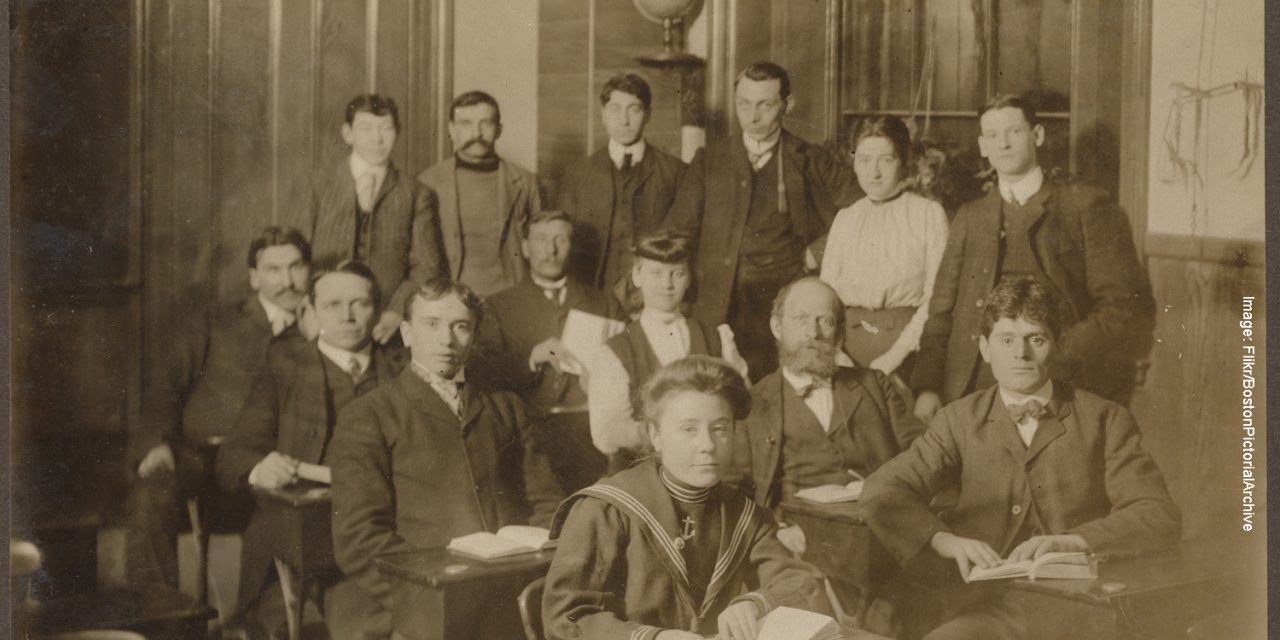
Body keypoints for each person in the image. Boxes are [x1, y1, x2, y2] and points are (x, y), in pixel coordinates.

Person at [860, 278, 1180, 640]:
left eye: (1036, 339)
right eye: (1006, 340)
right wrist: (946, 541)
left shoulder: (1104, 419)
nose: (1020, 354)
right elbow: (881, 491)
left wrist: (1073, 541)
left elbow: (1157, 514)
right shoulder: (959, 420)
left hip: (1081, 611)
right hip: (986, 608)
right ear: (984, 347)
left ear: (1057, 345)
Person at [329, 277, 564, 637]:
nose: (446, 340)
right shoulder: (370, 415)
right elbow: (359, 540)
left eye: (460, 326)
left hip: (511, 600)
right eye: (432, 324)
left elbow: (547, 505)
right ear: (406, 333)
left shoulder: (507, 408)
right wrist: (424, 598)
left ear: (475, 335)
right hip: (422, 608)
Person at [543, 355, 831, 640]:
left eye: (719, 429)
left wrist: (754, 602)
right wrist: (653, 638)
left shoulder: (742, 513)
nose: (707, 445)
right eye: (689, 429)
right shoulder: (606, 509)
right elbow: (566, 617)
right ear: (655, 435)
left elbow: (801, 582)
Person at [911, 94, 1154, 421]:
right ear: (983, 146)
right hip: (972, 383)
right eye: (993, 136)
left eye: (1013, 132)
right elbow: (940, 312)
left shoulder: (1084, 208)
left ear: (1036, 135)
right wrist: (928, 387)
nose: (1004, 144)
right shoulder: (971, 216)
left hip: (1058, 378)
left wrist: (1055, 354)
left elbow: (1120, 309)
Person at [214, 261, 405, 638]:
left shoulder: (401, 371)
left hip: (383, 536)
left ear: (378, 310)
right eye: (333, 305)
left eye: (359, 304)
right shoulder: (284, 370)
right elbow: (230, 457)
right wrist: (259, 467)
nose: (347, 316)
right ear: (311, 311)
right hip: (300, 542)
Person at [126, 227, 311, 590]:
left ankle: (258, 624)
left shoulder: (320, 330)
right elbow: (166, 385)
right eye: (273, 270)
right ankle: (159, 621)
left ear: (309, 272)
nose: (286, 281)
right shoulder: (217, 321)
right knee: (150, 496)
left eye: (296, 267)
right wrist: (157, 443)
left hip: (268, 469)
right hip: (199, 463)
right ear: (254, 278)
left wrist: (314, 334)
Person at [665, 61, 861, 379]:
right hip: (716, 310)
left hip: (783, 313)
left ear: (787, 104)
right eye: (744, 104)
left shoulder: (811, 160)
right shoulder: (709, 161)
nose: (753, 117)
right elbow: (676, 232)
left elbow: (862, 214)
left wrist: (819, 250)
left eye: (765, 105)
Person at [478, 209, 623, 491]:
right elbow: (481, 373)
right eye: (542, 239)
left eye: (560, 239)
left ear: (572, 246)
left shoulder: (603, 303)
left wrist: (605, 381)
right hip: (526, 436)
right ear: (525, 247)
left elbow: (630, 366)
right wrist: (530, 358)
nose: (551, 249)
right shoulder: (499, 306)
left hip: (590, 432)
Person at [587, 230, 747, 464]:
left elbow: (744, 407)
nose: (667, 284)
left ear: (689, 278)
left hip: (709, 465)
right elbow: (605, 433)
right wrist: (662, 433)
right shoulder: (616, 350)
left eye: (677, 273)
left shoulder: (716, 338)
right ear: (637, 276)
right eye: (656, 273)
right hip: (643, 473)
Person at [297, 94, 445, 344]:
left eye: (385, 128)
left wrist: (397, 312)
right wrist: (308, 306)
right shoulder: (317, 184)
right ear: (348, 134)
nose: (377, 139)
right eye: (365, 128)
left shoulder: (416, 194)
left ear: (397, 133)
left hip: (383, 322)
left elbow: (427, 265)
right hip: (322, 317)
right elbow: (298, 253)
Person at [819, 116, 948, 380]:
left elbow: (935, 300)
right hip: (847, 349)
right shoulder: (846, 218)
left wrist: (894, 357)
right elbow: (826, 299)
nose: (873, 172)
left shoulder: (928, 214)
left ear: (903, 161)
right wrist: (837, 354)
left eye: (886, 160)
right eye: (864, 160)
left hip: (907, 348)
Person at [556, 73, 684, 306]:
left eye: (634, 110)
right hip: (592, 295)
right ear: (603, 115)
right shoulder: (577, 173)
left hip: (652, 297)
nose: (624, 120)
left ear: (648, 115)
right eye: (615, 109)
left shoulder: (675, 172)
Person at [417, 91, 543, 297]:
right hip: (451, 297)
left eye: (486, 123)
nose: (476, 133)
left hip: (511, 297)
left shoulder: (525, 182)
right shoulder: (427, 182)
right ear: (451, 130)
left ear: (499, 129)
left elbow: (540, 246)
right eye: (466, 123)